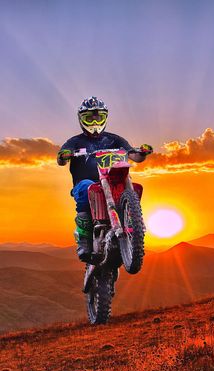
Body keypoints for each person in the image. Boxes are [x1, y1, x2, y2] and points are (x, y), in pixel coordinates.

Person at [57, 96, 153, 261]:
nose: (94, 121)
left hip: (113, 181)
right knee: (86, 187)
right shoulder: (75, 141)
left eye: (98, 117)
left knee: (129, 183)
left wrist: (142, 153)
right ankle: (84, 240)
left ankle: (133, 224)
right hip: (85, 184)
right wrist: (65, 155)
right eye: (89, 117)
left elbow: (133, 156)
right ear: (82, 119)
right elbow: (61, 160)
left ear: (105, 117)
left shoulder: (115, 139)